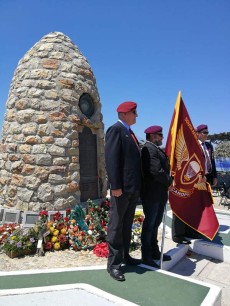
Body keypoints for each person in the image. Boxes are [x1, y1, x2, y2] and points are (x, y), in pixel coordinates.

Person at [105, 101, 142, 281]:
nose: (137, 115)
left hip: (132, 189)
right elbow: (112, 160)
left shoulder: (129, 132)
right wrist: (116, 186)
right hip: (122, 190)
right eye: (135, 112)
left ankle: (125, 256)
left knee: (126, 225)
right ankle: (113, 265)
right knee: (116, 226)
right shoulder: (116, 130)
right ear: (126, 113)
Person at [172, 123, 217, 243]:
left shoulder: (208, 146)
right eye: (204, 133)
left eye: (207, 133)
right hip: (192, 181)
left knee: (198, 207)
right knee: (184, 206)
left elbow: (211, 162)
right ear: (197, 134)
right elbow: (186, 165)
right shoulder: (191, 146)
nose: (206, 135)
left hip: (206, 179)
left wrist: (214, 176)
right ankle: (179, 233)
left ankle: (192, 230)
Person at [141, 126, 173, 267]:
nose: (162, 137)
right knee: (149, 225)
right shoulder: (148, 148)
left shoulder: (156, 148)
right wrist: (169, 181)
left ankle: (154, 251)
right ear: (153, 136)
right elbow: (156, 171)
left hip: (159, 194)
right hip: (152, 194)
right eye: (160, 135)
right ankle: (146, 255)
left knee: (155, 224)